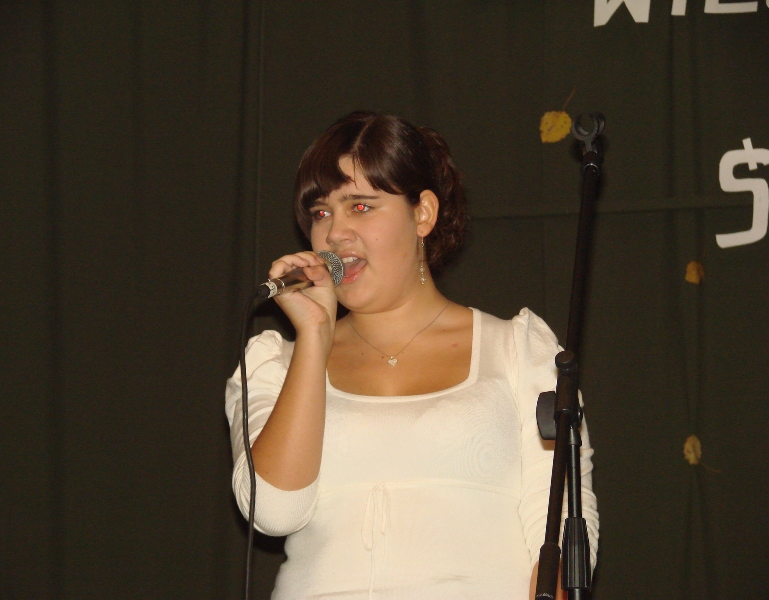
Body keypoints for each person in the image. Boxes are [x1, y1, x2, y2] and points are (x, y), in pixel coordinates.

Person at [226, 111, 599, 599]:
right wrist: (314, 336)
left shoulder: (517, 350)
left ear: (422, 213)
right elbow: (273, 512)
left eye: (360, 206)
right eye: (321, 213)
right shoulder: (274, 363)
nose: (334, 233)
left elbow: (559, 527)